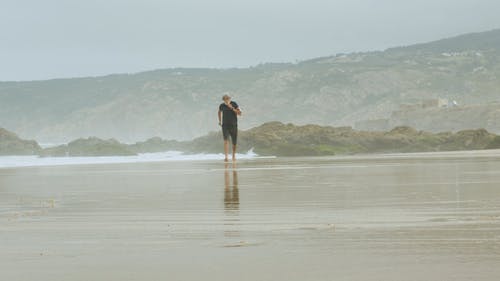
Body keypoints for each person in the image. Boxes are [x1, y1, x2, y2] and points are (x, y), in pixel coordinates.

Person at [218, 94, 242, 161]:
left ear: (230, 99)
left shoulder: (234, 104)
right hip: (225, 125)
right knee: (226, 140)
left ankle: (233, 155)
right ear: (223, 100)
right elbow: (219, 112)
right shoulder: (221, 105)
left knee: (234, 142)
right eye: (225, 99)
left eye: (227, 99)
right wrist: (220, 121)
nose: (226, 100)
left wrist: (231, 108)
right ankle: (226, 157)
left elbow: (240, 113)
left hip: (233, 125)